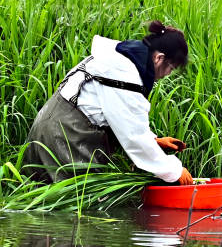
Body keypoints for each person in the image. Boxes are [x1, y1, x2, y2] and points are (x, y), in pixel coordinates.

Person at [25, 20, 196, 185]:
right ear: (159, 58)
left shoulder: (120, 58)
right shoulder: (125, 74)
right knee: (80, 205)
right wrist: (174, 170)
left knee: (40, 199)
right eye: (171, 68)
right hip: (65, 135)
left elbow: (115, 116)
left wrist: (154, 141)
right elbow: (133, 137)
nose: (167, 74)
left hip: (50, 123)